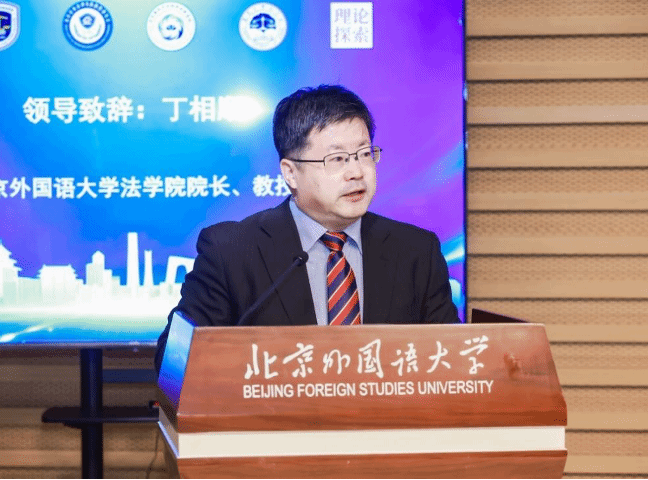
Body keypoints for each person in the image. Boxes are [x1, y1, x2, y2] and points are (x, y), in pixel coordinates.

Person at [155, 85, 459, 372]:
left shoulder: (416, 252)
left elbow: (450, 363)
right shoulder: (231, 252)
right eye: (337, 159)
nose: (357, 172)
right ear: (291, 173)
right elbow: (174, 362)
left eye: (365, 154)